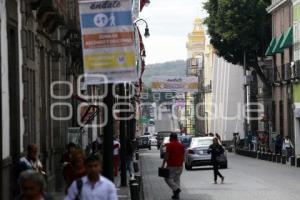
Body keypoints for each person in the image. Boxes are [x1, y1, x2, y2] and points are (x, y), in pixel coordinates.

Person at [161, 133, 185, 200]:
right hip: (180, 165)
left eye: (170, 138)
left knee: (167, 178)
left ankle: (176, 189)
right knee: (177, 179)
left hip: (171, 165)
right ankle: (176, 195)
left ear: (171, 138)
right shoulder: (181, 145)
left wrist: (163, 165)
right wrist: (182, 163)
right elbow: (183, 156)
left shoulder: (170, 145)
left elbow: (166, 156)